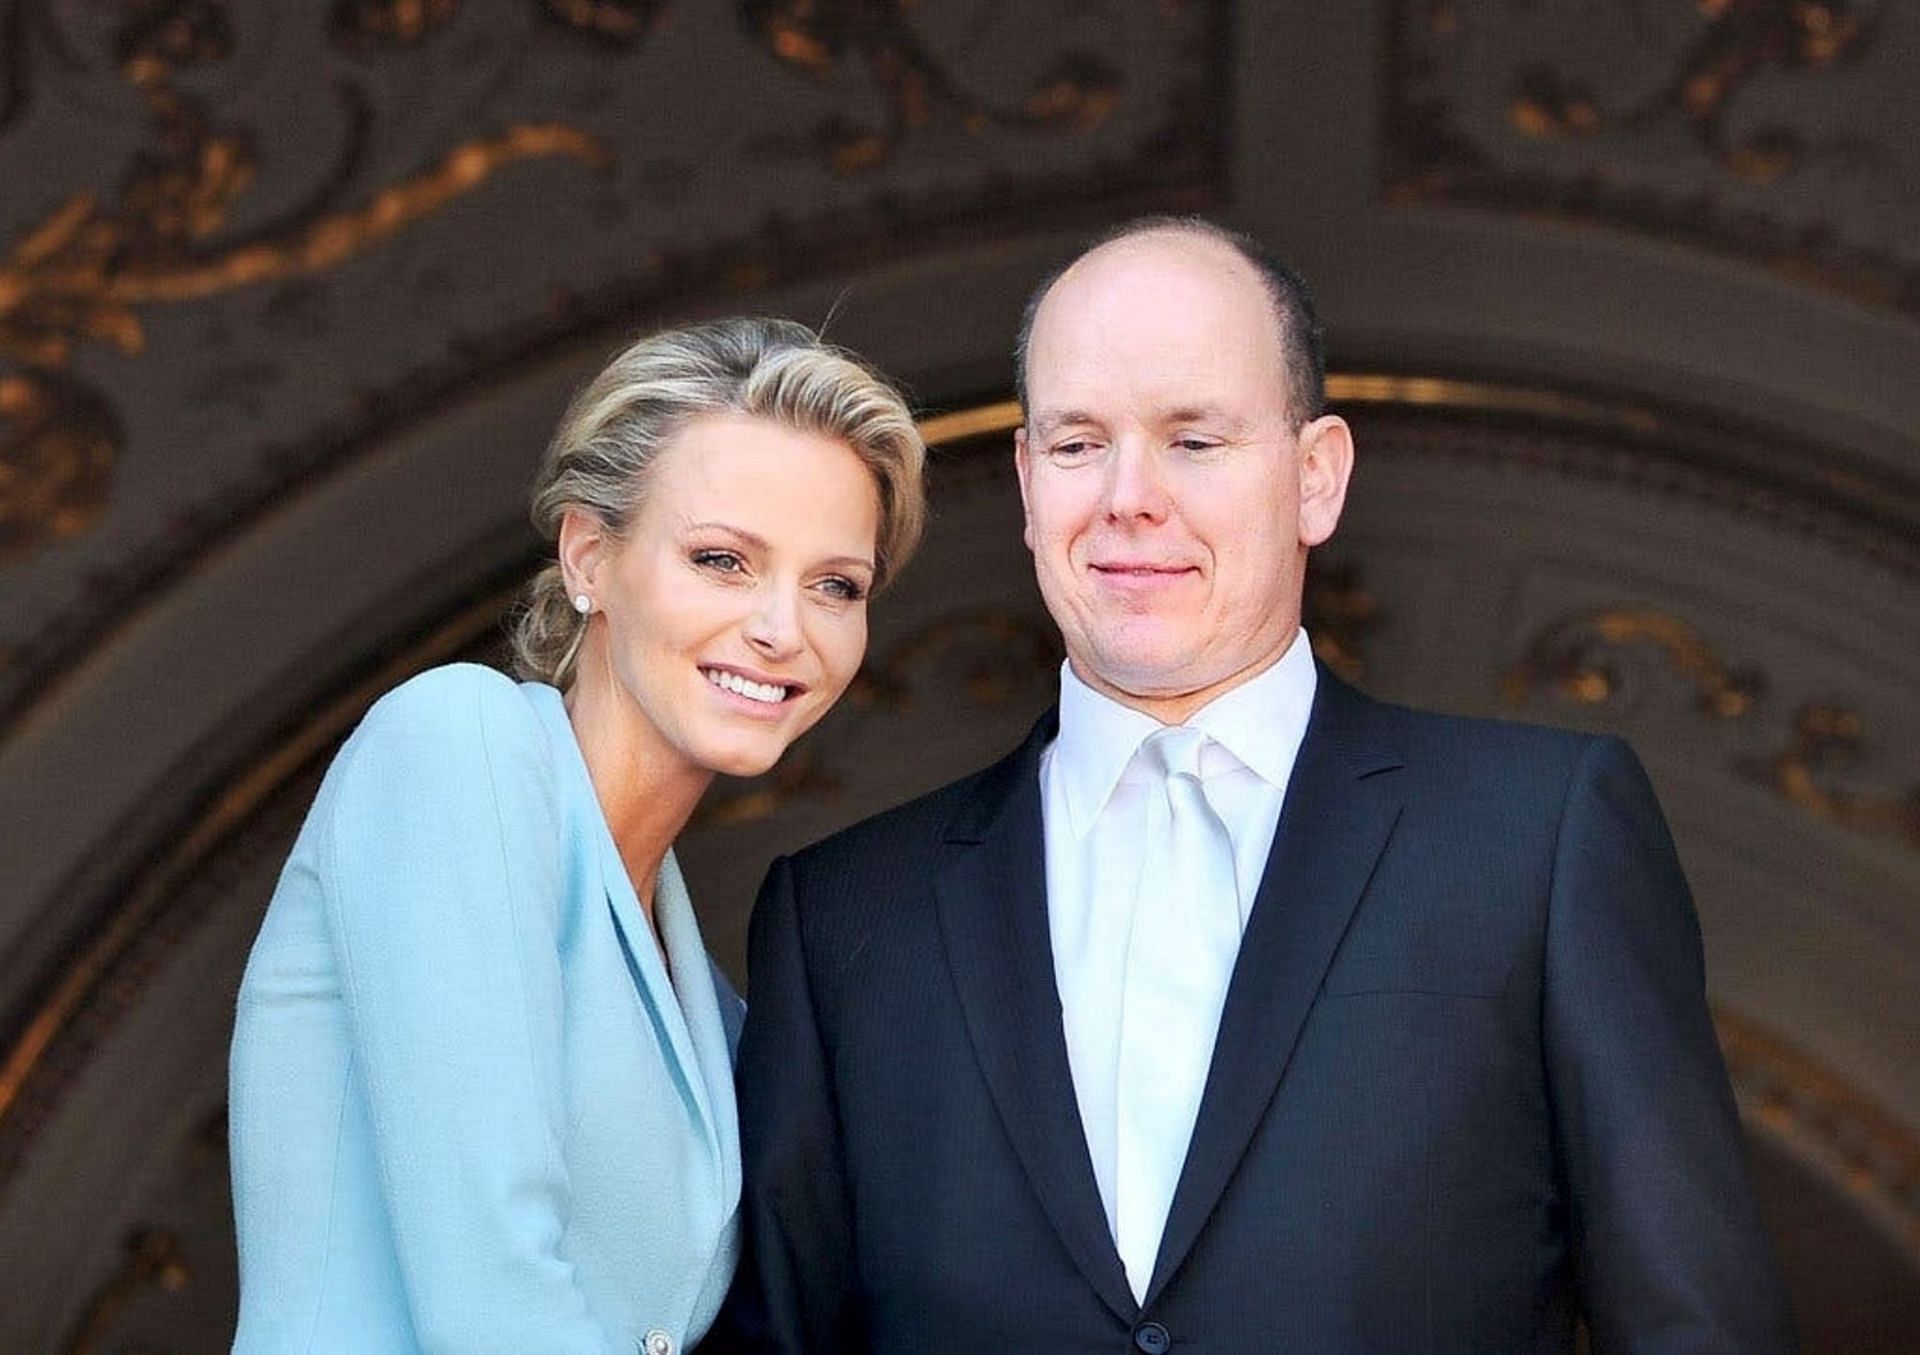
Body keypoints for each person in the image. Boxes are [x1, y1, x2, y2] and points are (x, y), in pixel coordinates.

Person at [717, 220, 1798, 1351]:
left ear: (1316, 478)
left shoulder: (1539, 837)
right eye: (1081, 442)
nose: (1129, 496)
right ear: (1030, 486)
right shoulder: (844, 916)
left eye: (1194, 439)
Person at [227, 316, 926, 1354]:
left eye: (837, 584)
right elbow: (493, 1289)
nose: (785, 626)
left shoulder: (711, 1004)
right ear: (589, 555)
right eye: (724, 559)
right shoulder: (457, 744)